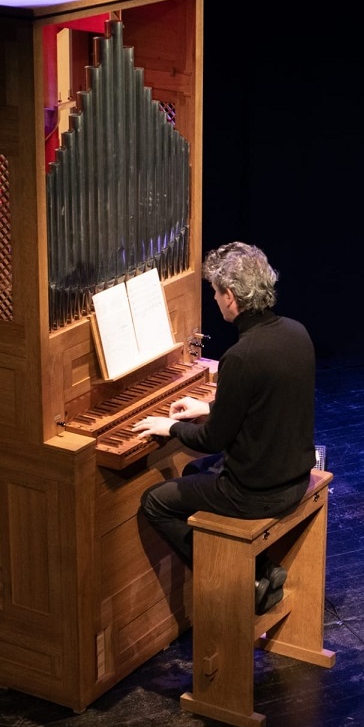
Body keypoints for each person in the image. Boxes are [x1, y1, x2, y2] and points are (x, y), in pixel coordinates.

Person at [132, 242, 315, 611]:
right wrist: (209, 406)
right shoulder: (297, 333)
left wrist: (170, 428)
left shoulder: (241, 356)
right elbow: (264, 402)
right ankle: (260, 570)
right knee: (195, 472)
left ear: (230, 296)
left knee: (154, 502)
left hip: (256, 493)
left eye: (215, 292)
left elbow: (211, 440)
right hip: (295, 479)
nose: (214, 299)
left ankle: (244, 580)